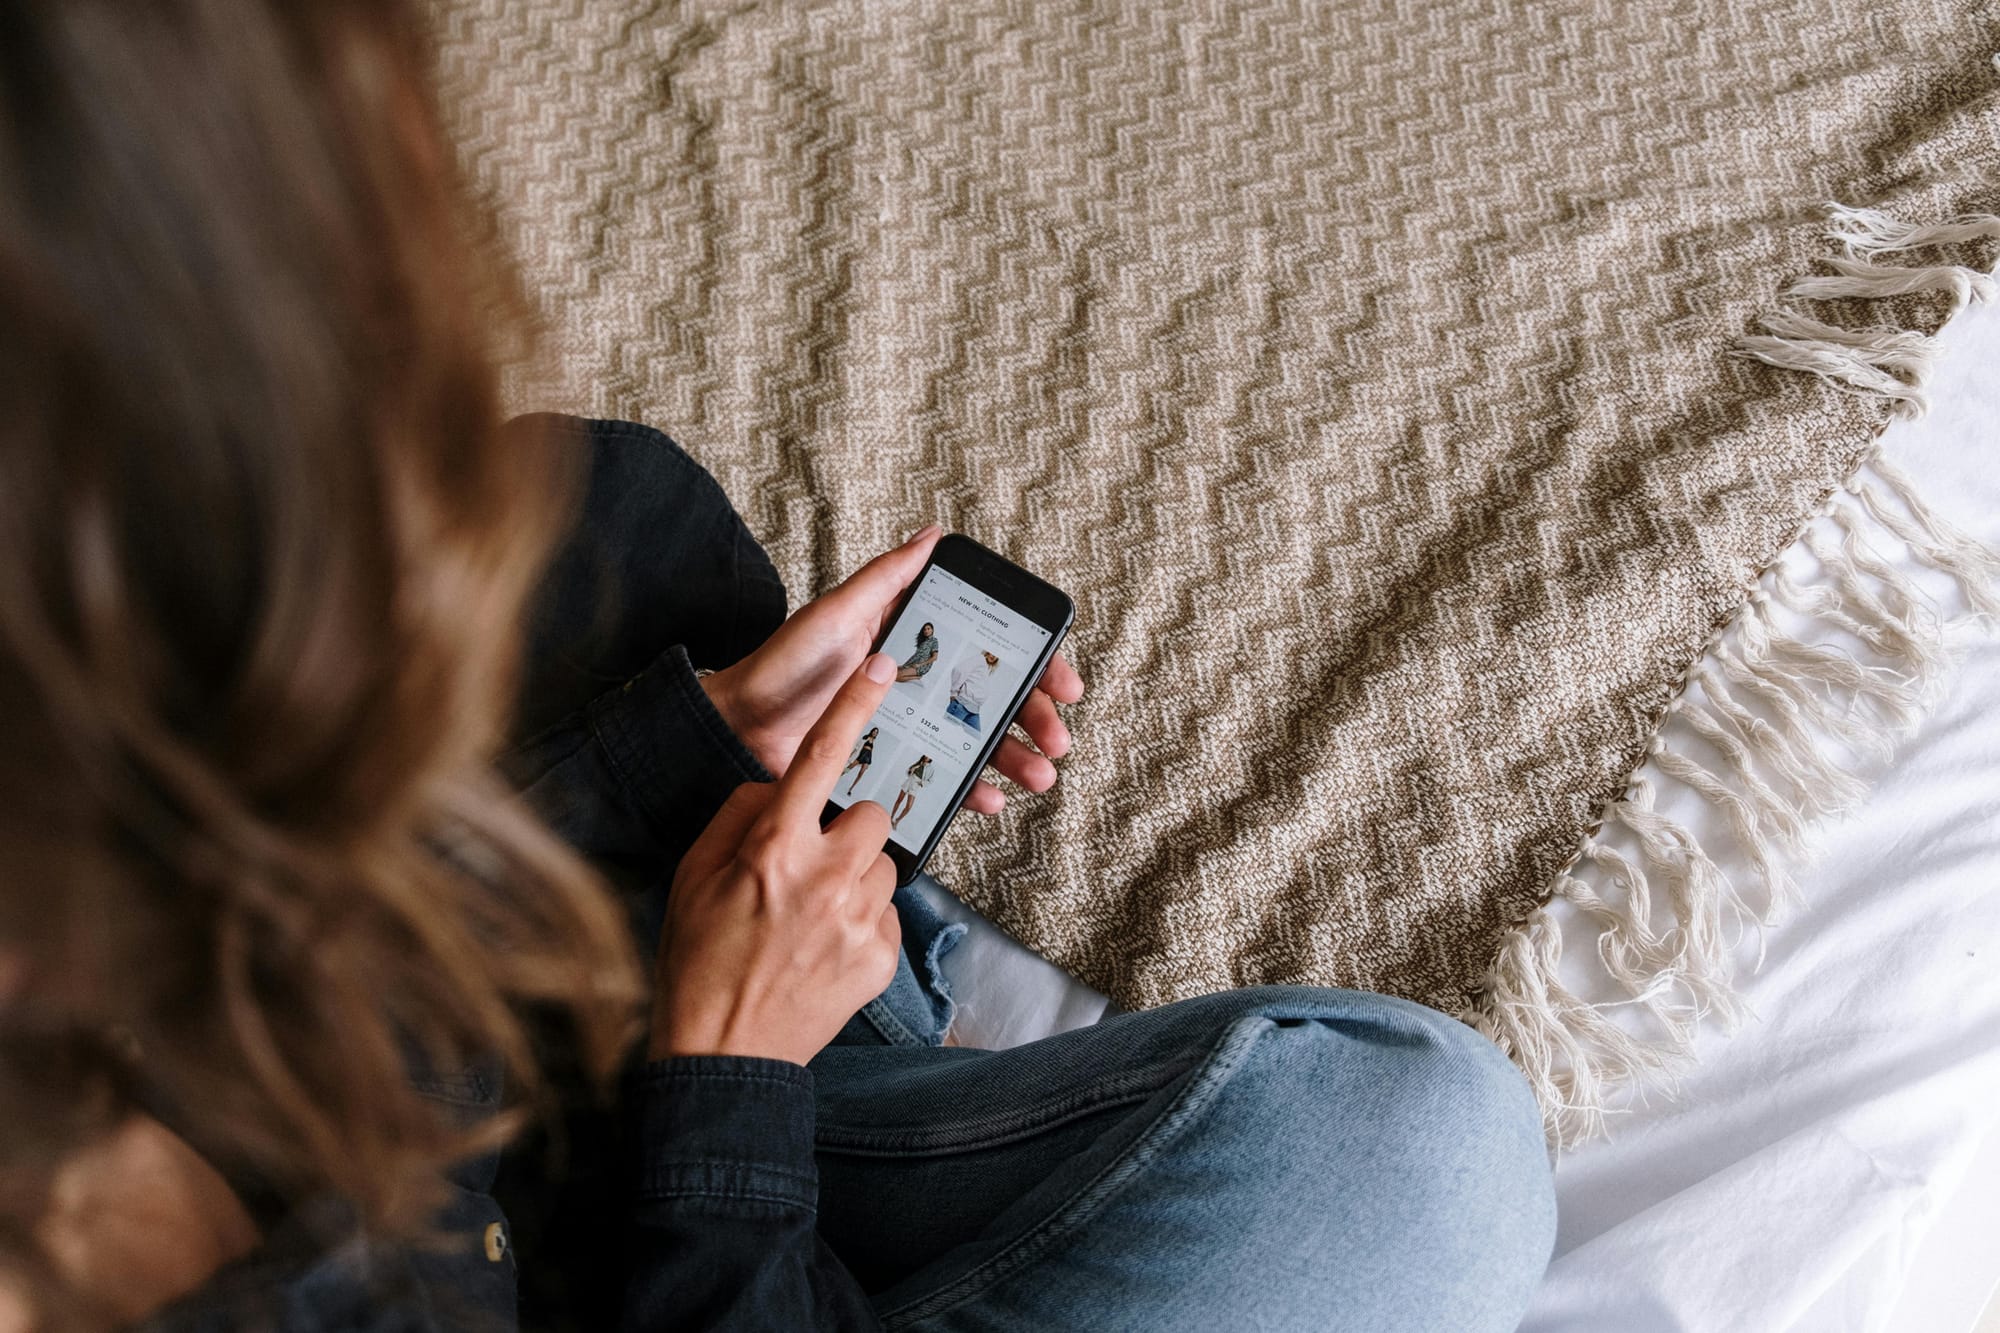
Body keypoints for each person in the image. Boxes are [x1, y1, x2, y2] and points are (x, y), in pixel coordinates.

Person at [0, 3, 1558, 1331]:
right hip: (664, 1208)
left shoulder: (136, 959)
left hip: (540, 1067)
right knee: (1422, 1158)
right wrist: (731, 1076)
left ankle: (776, 903)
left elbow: (333, 1001)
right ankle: (815, 965)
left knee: (605, 512)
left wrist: (686, 750)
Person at [947, 651, 1000, 731]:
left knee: (975, 739)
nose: (994, 656)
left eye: (997, 655)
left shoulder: (986, 666)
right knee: (946, 731)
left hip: (974, 709)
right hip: (962, 705)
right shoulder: (980, 659)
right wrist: (953, 693)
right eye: (993, 653)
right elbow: (958, 670)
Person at [889, 755, 933, 829]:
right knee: (899, 800)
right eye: (926, 756)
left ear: (930, 759)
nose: (927, 757)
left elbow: (930, 781)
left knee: (908, 807)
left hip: (916, 785)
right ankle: (891, 817)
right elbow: (908, 772)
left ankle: (897, 821)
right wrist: (913, 768)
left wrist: (921, 783)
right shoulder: (918, 763)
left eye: (929, 757)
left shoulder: (931, 769)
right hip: (909, 781)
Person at [843, 727, 881, 796]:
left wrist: (869, 763)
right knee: (849, 768)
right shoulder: (866, 737)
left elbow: (871, 751)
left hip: (868, 757)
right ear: (871, 731)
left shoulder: (873, 741)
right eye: (874, 731)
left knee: (860, 774)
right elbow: (857, 746)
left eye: (876, 732)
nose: (875, 733)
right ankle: (840, 775)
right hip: (861, 755)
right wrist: (851, 754)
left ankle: (851, 789)